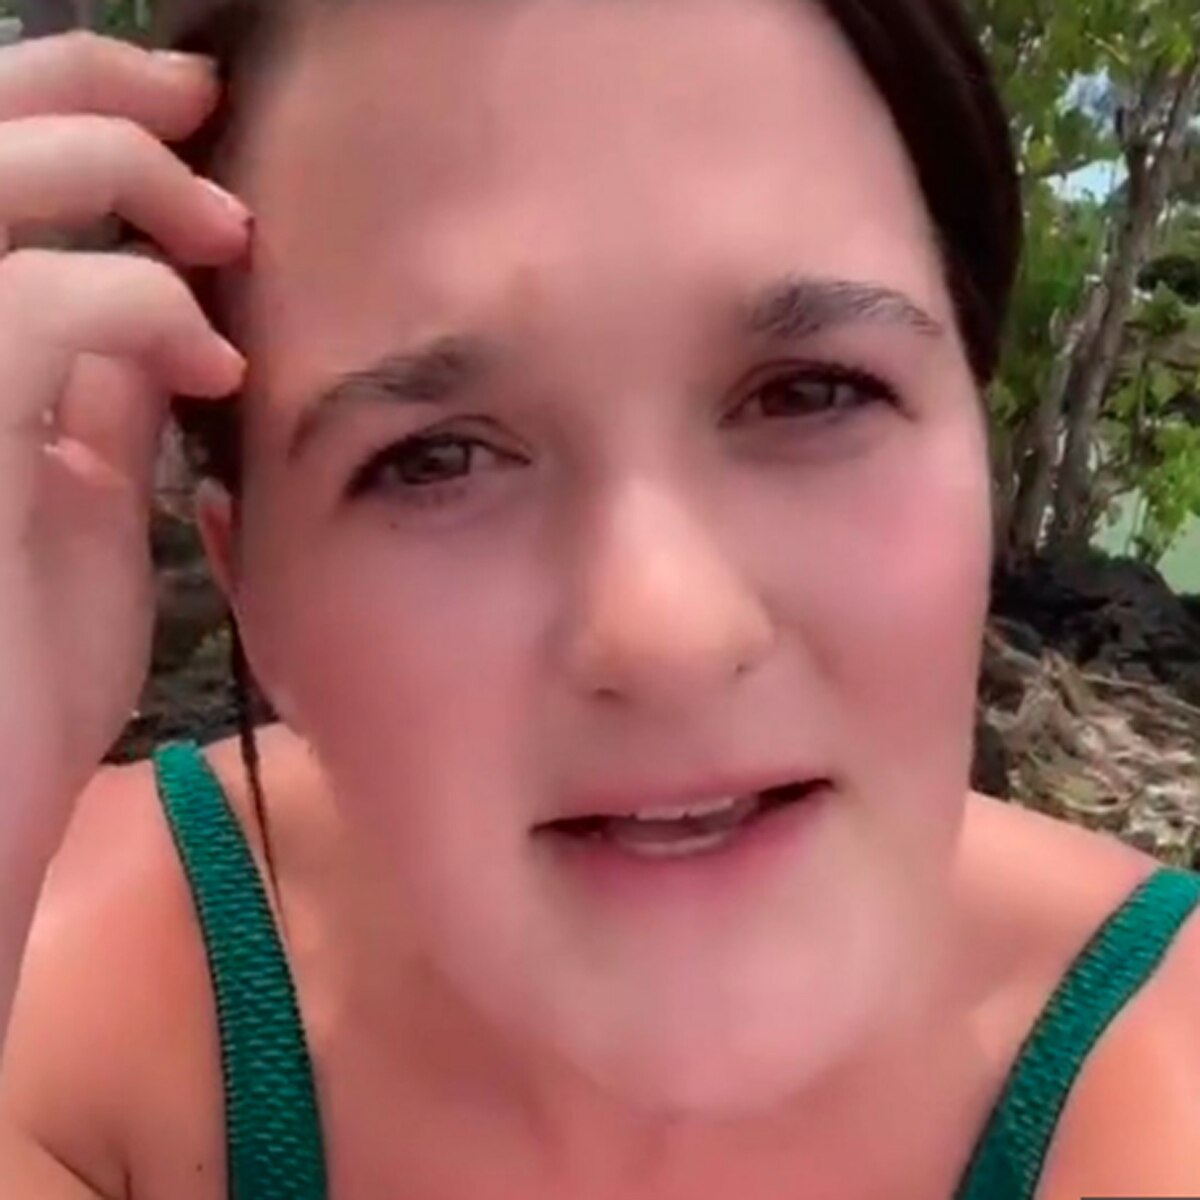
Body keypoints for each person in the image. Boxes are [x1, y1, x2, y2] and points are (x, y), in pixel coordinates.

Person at [0, 1, 1197, 1197]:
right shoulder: (69, 1001)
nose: (670, 632)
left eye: (811, 392)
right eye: (436, 459)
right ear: (251, 589)